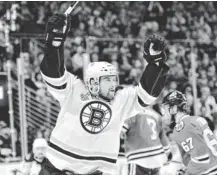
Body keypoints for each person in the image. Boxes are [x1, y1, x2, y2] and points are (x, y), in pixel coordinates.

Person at [39, 13, 169, 175]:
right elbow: (53, 73)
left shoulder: (121, 98)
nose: (114, 84)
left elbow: (146, 95)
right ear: (93, 82)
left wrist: (155, 63)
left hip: (96, 170)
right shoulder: (74, 88)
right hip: (58, 167)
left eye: (115, 79)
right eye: (108, 80)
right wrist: (55, 41)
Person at [161, 90, 217, 175]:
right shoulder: (196, 119)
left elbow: (202, 158)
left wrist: (187, 172)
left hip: (211, 170)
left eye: (166, 109)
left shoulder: (182, 127)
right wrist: (184, 168)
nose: (164, 114)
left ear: (175, 108)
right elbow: (192, 154)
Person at [121, 105, 170, 175]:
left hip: (137, 158)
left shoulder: (131, 114)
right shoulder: (156, 115)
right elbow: (164, 140)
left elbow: (120, 132)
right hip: (157, 158)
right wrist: (167, 155)